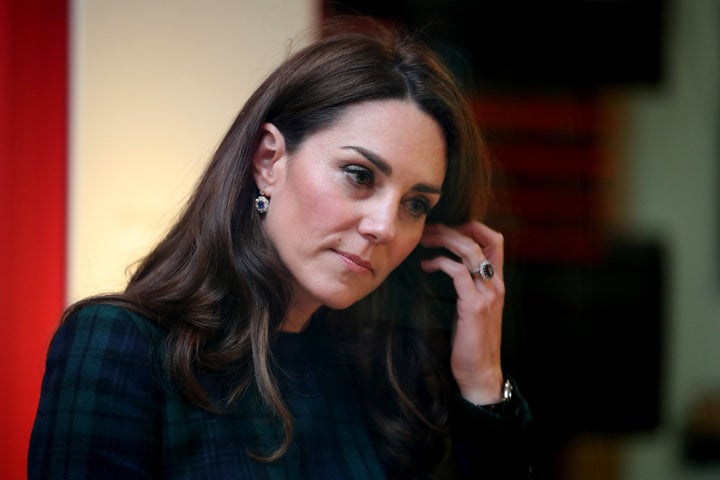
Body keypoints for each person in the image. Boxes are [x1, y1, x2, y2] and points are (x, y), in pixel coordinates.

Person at [29, 18, 533, 480]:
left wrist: (483, 379)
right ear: (269, 159)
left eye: (416, 204)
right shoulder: (123, 346)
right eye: (360, 176)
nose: (385, 226)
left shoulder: (381, 377)